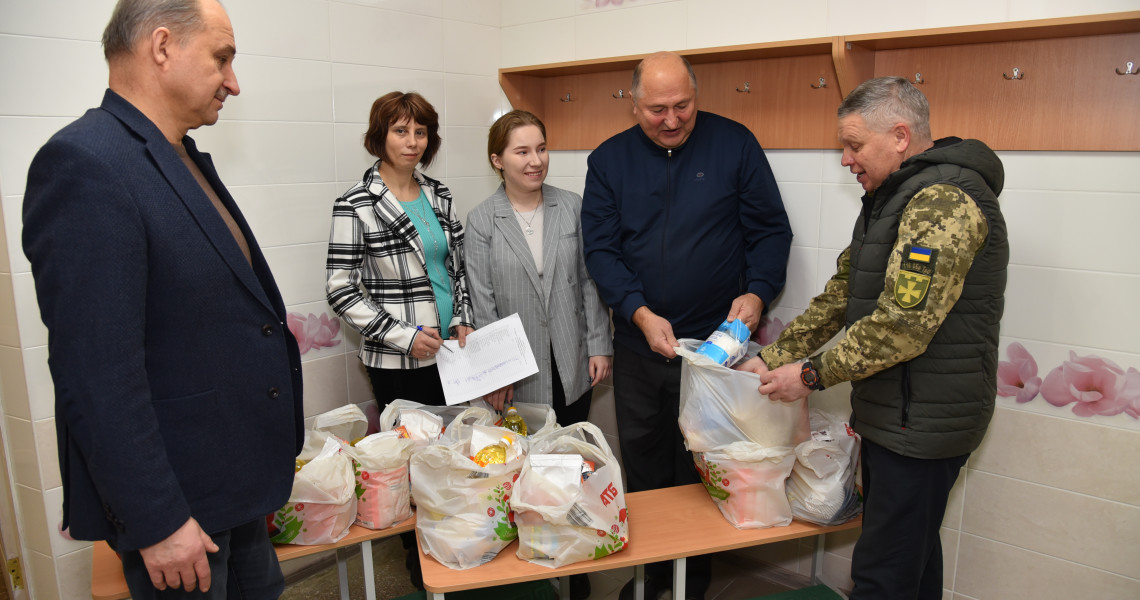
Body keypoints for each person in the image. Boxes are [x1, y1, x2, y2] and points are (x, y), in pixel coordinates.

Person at [21, 0, 304, 598]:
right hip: (180, 508)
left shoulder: (177, 156)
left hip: (233, 487)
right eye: (221, 58)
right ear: (162, 46)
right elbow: (96, 372)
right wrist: (157, 520)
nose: (233, 82)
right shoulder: (87, 163)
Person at [752, 76, 1009, 600]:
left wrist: (808, 374)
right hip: (901, 415)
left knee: (882, 575)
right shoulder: (890, 198)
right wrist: (771, 355)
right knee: (911, 557)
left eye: (853, 145)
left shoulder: (942, 202)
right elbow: (843, 293)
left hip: (923, 424)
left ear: (899, 136)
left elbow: (902, 325)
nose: (846, 159)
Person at [581, 51, 793, 600]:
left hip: (715, 353)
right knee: (647, 469)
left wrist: (757, 291)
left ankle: (689, 586)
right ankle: (652, 580)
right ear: (634, 103)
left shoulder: (735, 143)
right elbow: (602, 252)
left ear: (696, 96)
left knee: (702, 470)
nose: (671, 119)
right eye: (657, 109)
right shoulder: (608, 161)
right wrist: (639, 311)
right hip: (640, 343)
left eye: (683, 105)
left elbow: (771, 232)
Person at [324, 90, 474, 589]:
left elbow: (457, 270)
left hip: (455, 354)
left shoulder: (441, 195)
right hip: (398, 362)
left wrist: (465, 319)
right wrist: (404, 337)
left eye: (420, 131)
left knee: (454, 457)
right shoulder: (356, 204)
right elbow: (340, 288)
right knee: (415, 467)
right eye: (400, 130)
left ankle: (456, 552)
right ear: (380, 136)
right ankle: (420, 571)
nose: (412, 142)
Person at [466, 110, 613, 423]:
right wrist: (497, 371)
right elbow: (483, 302)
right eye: (522, 152)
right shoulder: (482, 220)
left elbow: (590, 281)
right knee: (523, 458)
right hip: (517, 369)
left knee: (571, 451)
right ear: (497, 160)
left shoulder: (572, 205)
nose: (536, 161)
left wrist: (599, 345)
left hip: (573, 357)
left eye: (541, 149)